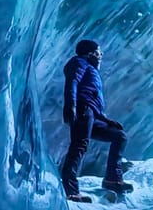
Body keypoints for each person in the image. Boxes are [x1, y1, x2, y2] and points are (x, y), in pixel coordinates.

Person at [60, 40, 134, 202]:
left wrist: (106, 120)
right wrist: (71, 104)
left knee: (119, 136)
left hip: (92, 115)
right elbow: (72, 82)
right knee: (79, 146)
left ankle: (112, 180)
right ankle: (71, 191)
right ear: (91, 53)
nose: (101, 56)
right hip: (82, 110)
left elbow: (92, 99)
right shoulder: (79, 62)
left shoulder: (91, 69)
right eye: (99, 52)